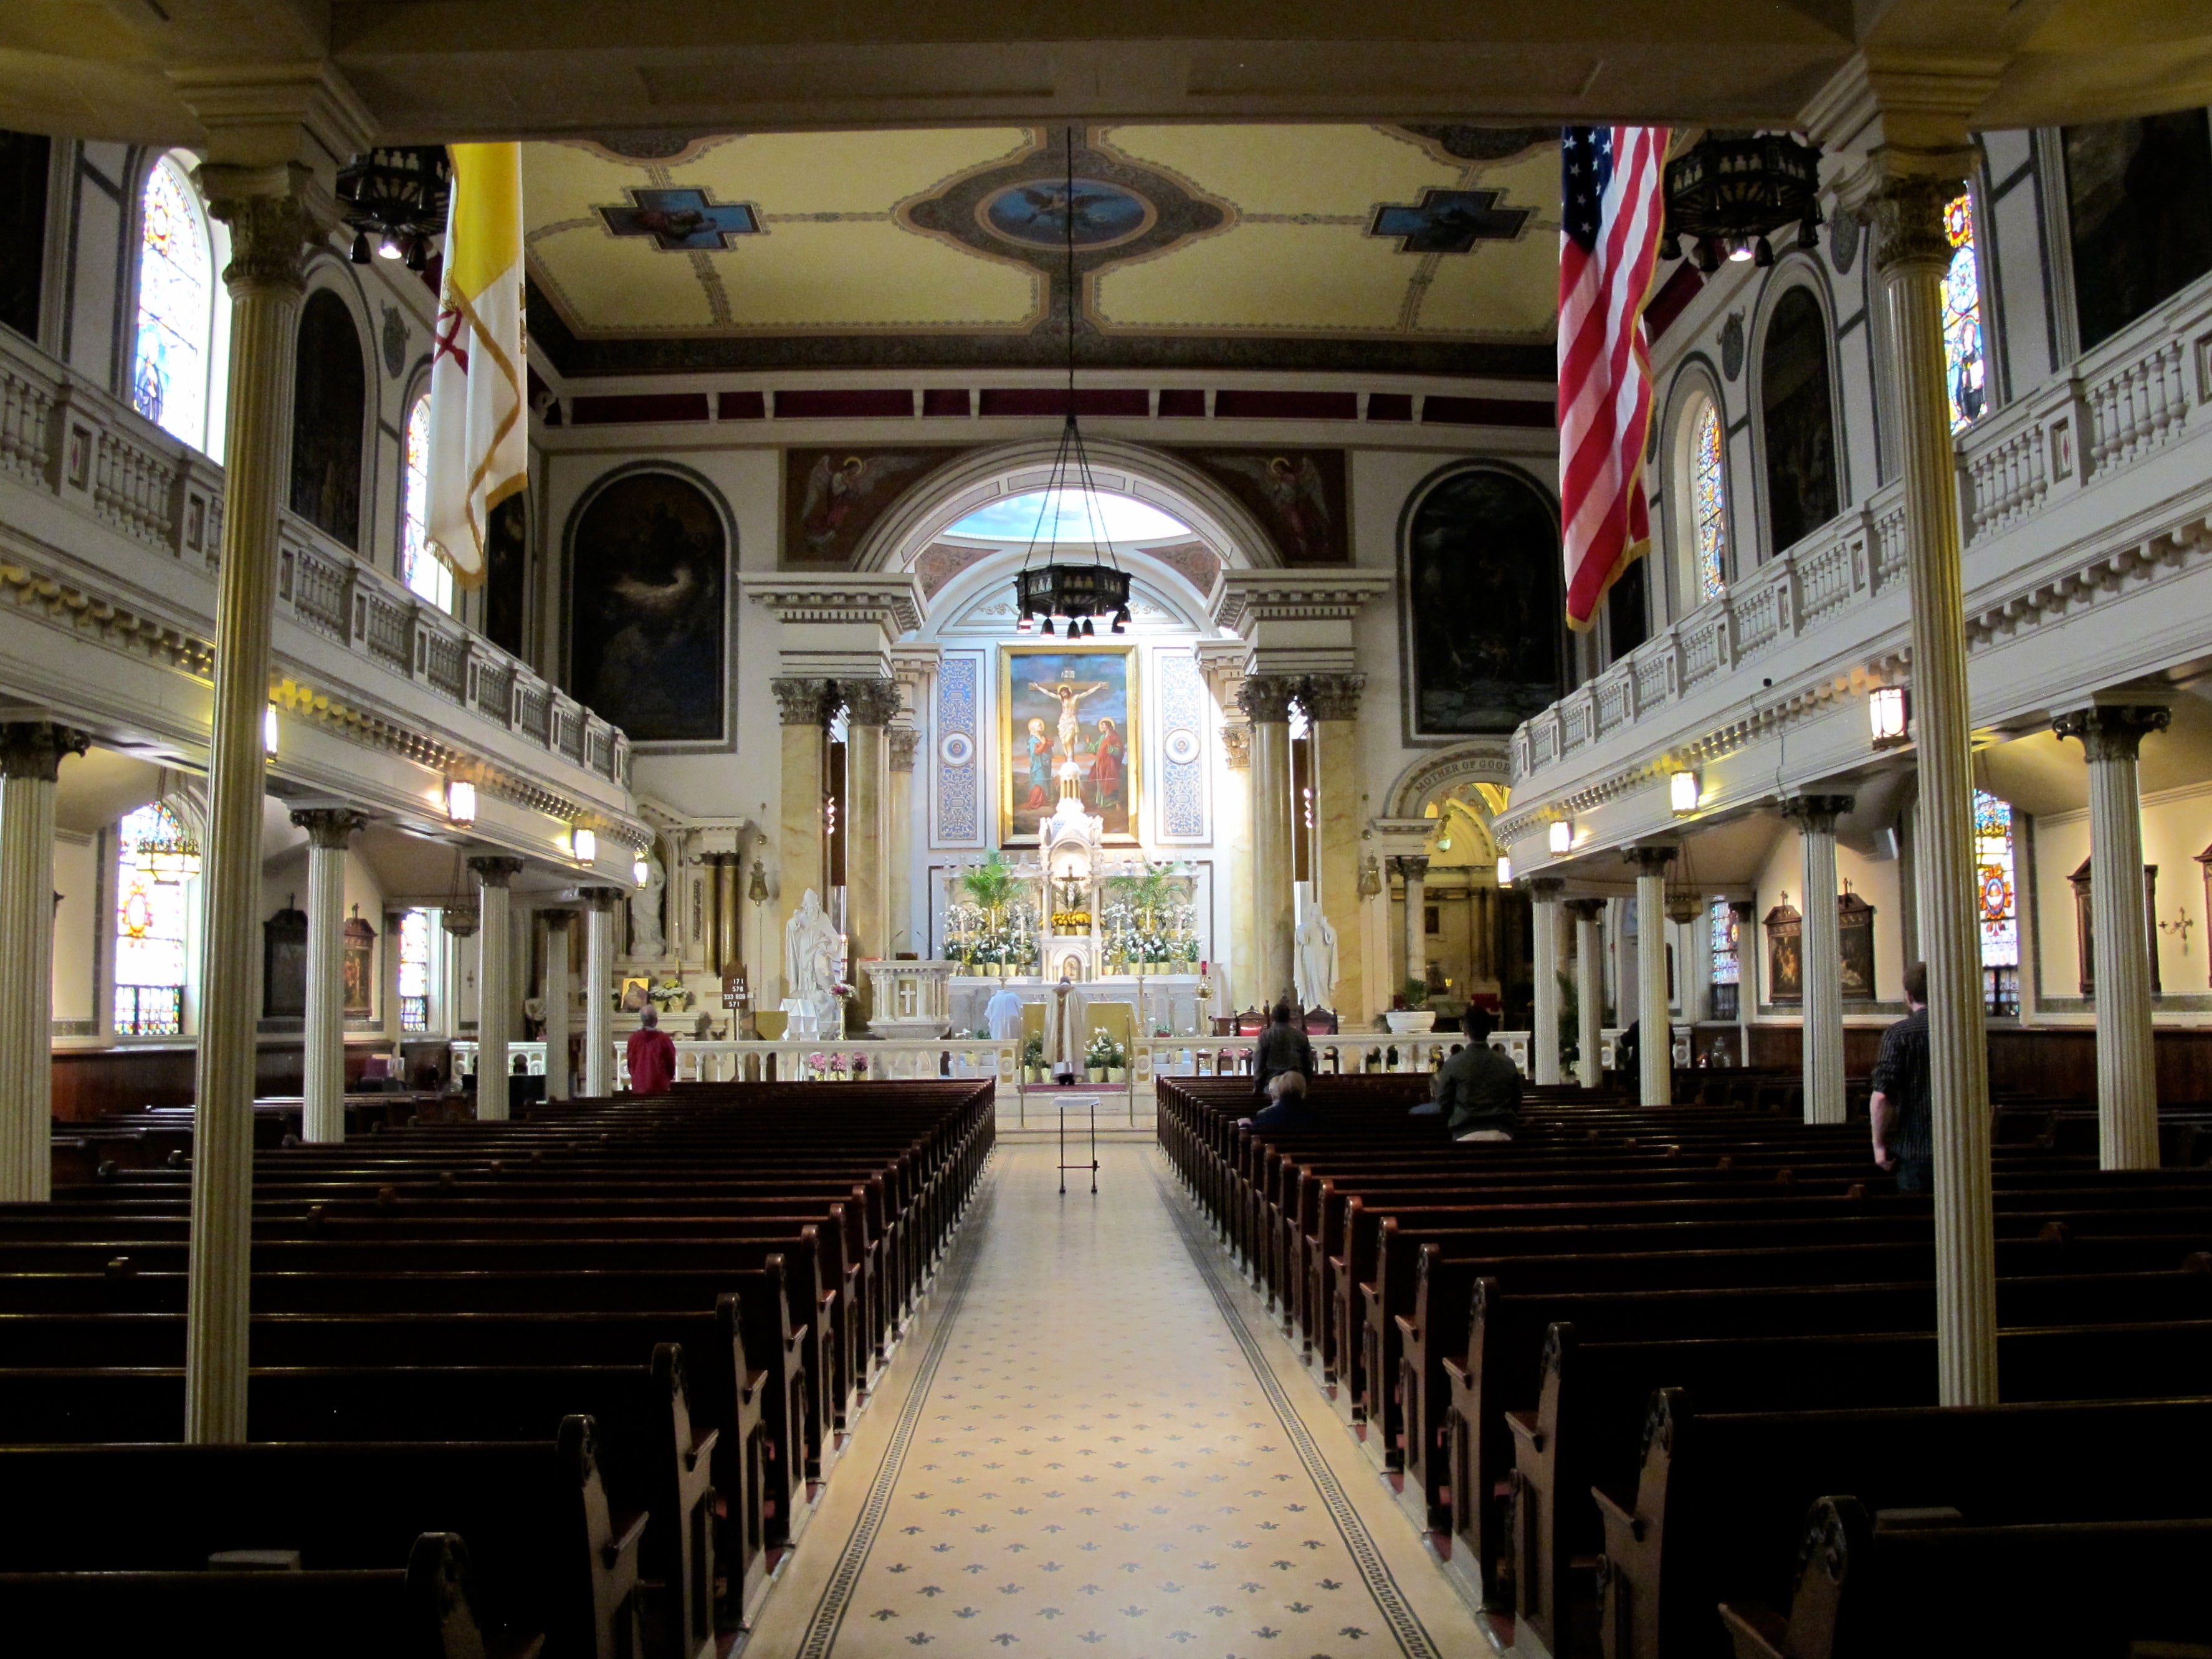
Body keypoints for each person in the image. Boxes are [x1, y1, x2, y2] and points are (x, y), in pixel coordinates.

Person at [1411, 1007, 1522, 1141]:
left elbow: (1444, 1103)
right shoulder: (1507, 1063)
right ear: (1489, 1030)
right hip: (1502, 1134)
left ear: (1464, 1030)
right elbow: (1516, 1101)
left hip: (1466, 1134)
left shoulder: (1454, 1063)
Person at [1869, 960, 1933, 1193]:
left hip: (1914, 1150)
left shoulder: (1898, 1035)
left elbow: (1882, 1097)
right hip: (1964, 1150)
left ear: (1908, 996)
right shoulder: (1969, 1032)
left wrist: (1879, 1145)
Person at [1251, 999, 1315, 1099]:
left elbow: (1258, 1063)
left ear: (1272, 1017)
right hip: (1297, 1084)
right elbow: (1309, 1063)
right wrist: (1307, 1083)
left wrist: (1258, 1085)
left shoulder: (1265, 1036)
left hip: (1272, 1085)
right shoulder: (1301, 1036)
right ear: (1289, 1017)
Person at [1241, 1069, 1316, 1132]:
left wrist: (1245, 1125)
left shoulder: (1268, 1116)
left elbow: (1254, 1132)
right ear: (1304, 1090)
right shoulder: (1316, 1117)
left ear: (1279, 1090)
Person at [626, 1008, 677, 1096]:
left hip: (639, 1083)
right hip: (659, 1084)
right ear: (656, 1020)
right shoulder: (664, 1039)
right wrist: (669, 1077)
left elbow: (631, 1061)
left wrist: (635, 1075)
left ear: (642, 1020)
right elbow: (671, 1062)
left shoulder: (634, 1039)